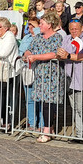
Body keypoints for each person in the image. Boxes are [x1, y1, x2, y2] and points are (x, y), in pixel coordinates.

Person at [24, 11, 63, 141]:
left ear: (50, 25)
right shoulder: (38, 37)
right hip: (40, 73)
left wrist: (35, 57)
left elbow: (53, 54)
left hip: (52, 73)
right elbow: (29, 49)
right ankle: (49, 128)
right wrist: (28, 55)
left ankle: (46, 131)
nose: (39, 25)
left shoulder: (57, 37)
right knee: (42, 101)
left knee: (49, 103)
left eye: (42, 23)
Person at [57, 19, 83, 142]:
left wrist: (68, 56)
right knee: (74, 107)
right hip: (69, 77)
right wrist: (60, 54)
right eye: (71, 29)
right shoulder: (67, 38)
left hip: (82, 76)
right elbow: (61, 52)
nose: (73, 31)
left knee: (82, 106)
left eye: (76, 29)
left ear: (82, 28)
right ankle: (79, 133)